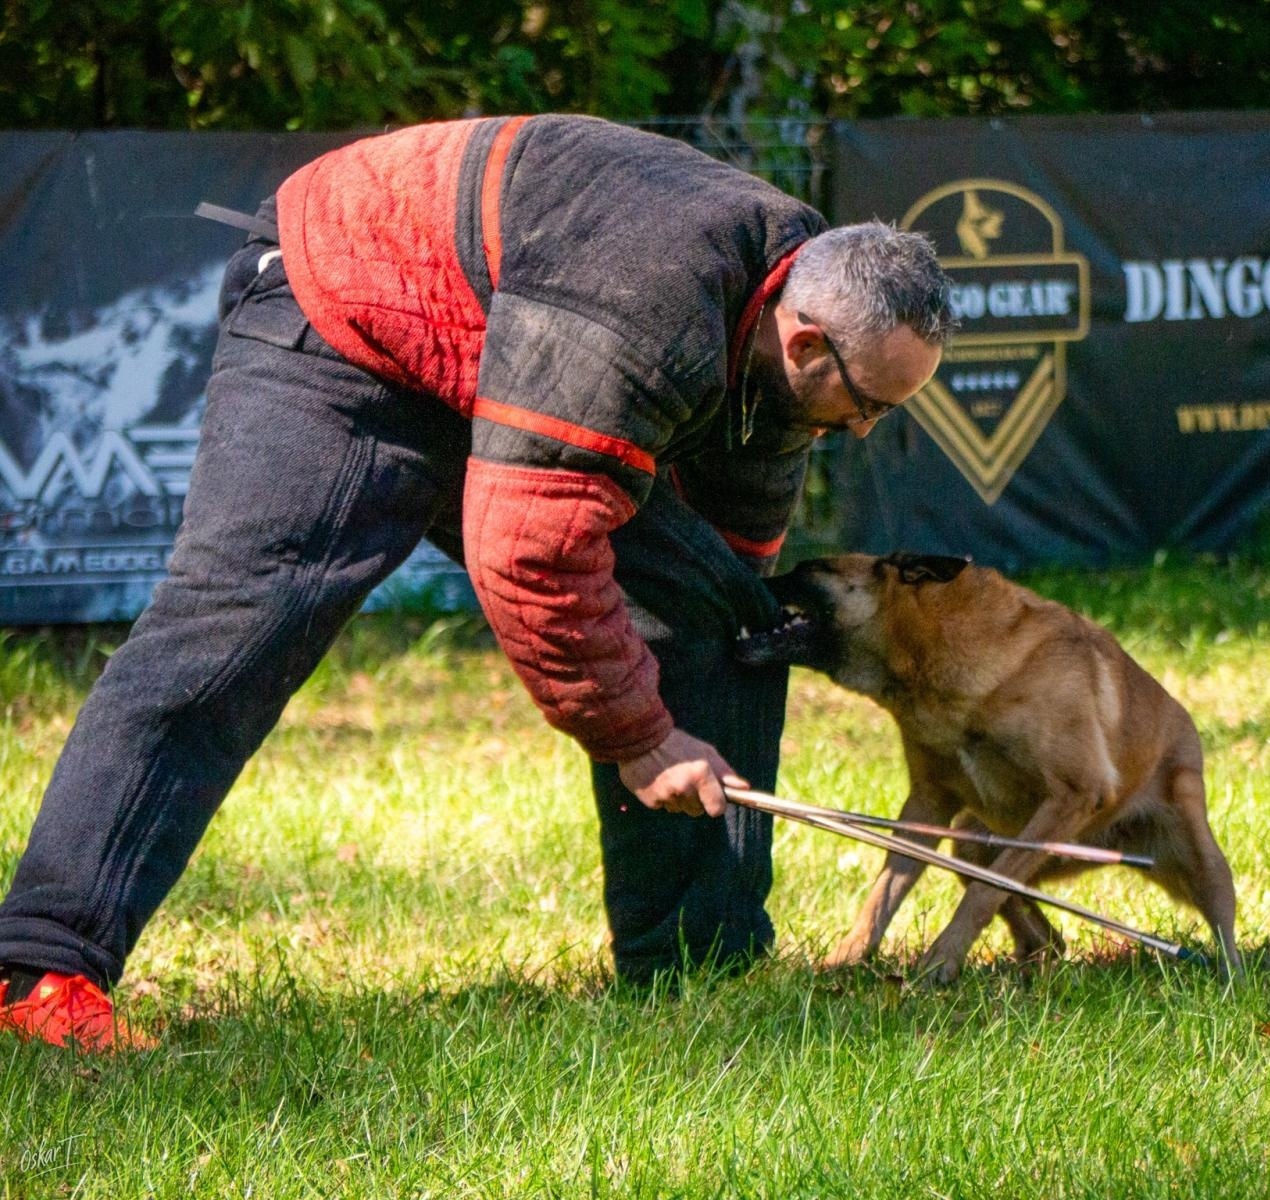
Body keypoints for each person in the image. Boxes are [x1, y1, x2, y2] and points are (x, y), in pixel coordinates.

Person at [0, 115, 952, 1051]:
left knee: (727, 617)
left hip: (505, 350)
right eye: (866, 405)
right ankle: (43, 967)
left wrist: (720, 647)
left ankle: (703, 970)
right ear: (803, 345)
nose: (864, 430)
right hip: (349, 312)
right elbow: (531, 549)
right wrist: (642, 737)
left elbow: (729, 551)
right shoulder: (652, 297)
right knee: (237, 628)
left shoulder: (791, 318)